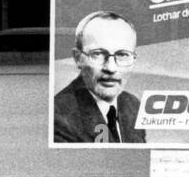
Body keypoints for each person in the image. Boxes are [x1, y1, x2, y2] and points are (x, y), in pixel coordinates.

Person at [53, 11, 147, 143]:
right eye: (98, 54)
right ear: (78, 58)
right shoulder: (58, 117)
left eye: (122, 55)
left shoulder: (133, 105)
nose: (111, 68)